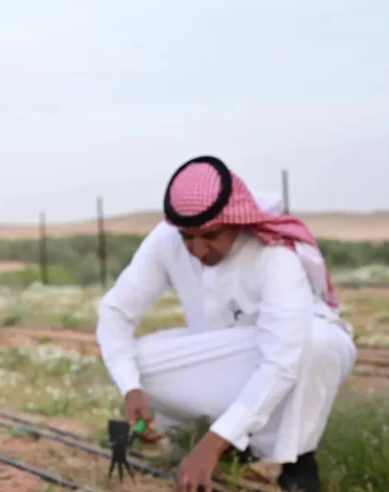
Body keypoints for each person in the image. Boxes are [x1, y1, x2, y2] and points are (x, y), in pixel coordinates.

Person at [95, 156, 357, 492]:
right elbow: (115, 312)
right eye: (188, 237)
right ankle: (236, 440)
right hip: (232, 353)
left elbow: (280, 362)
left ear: (236, 221)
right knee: (135, 364)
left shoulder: (272, 252)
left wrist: (209, 448)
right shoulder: (167, 239)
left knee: (316, 342)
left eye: (211, 235)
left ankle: (297, 460)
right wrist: (131, 389)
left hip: (295, 353)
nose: (198, 249)